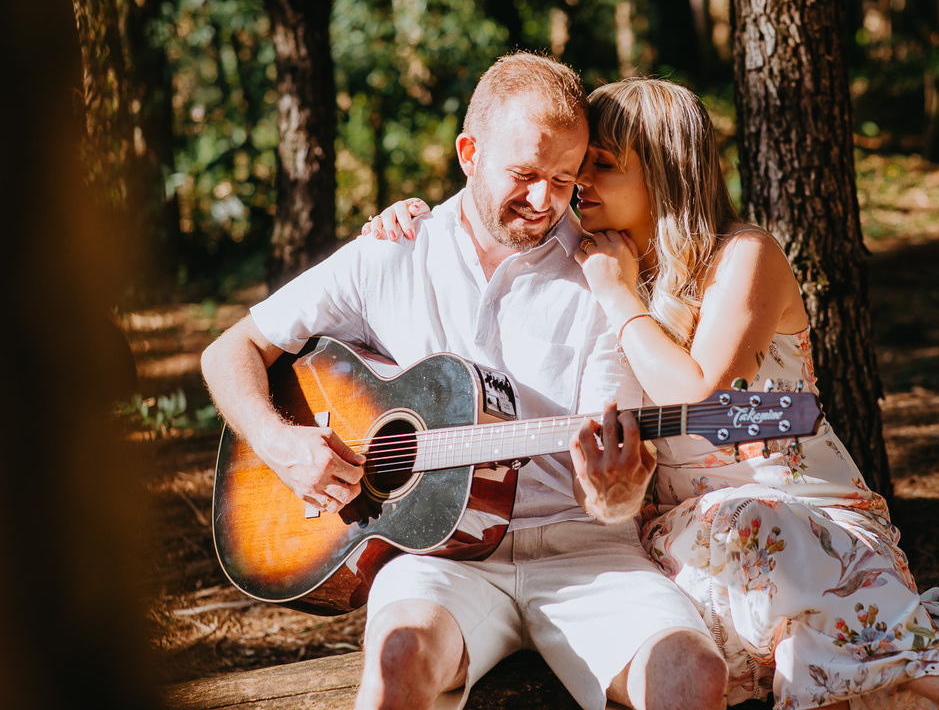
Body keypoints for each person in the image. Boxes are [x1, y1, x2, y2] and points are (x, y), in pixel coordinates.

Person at [368, 77, 939, 710]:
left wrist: (616, 292)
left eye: (601, 164)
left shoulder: (743, 256)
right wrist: (411, 222)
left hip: (809, 524)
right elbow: (485, 224)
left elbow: (702, 395)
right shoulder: (593, 262)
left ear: (664, 171)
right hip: (686, 547)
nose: (577, 182)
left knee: (754, 523)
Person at [201, 54, 728, 710]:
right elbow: (230, 350)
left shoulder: (602, 270)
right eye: (526, 174)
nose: (545, 200)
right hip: (439, 558)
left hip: (586, 551)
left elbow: (611, 464)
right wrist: (281, 443)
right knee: (400, 659)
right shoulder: (391, 250)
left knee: (692, 674)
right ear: (469, 151)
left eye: (564, 179)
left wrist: (616, 490)